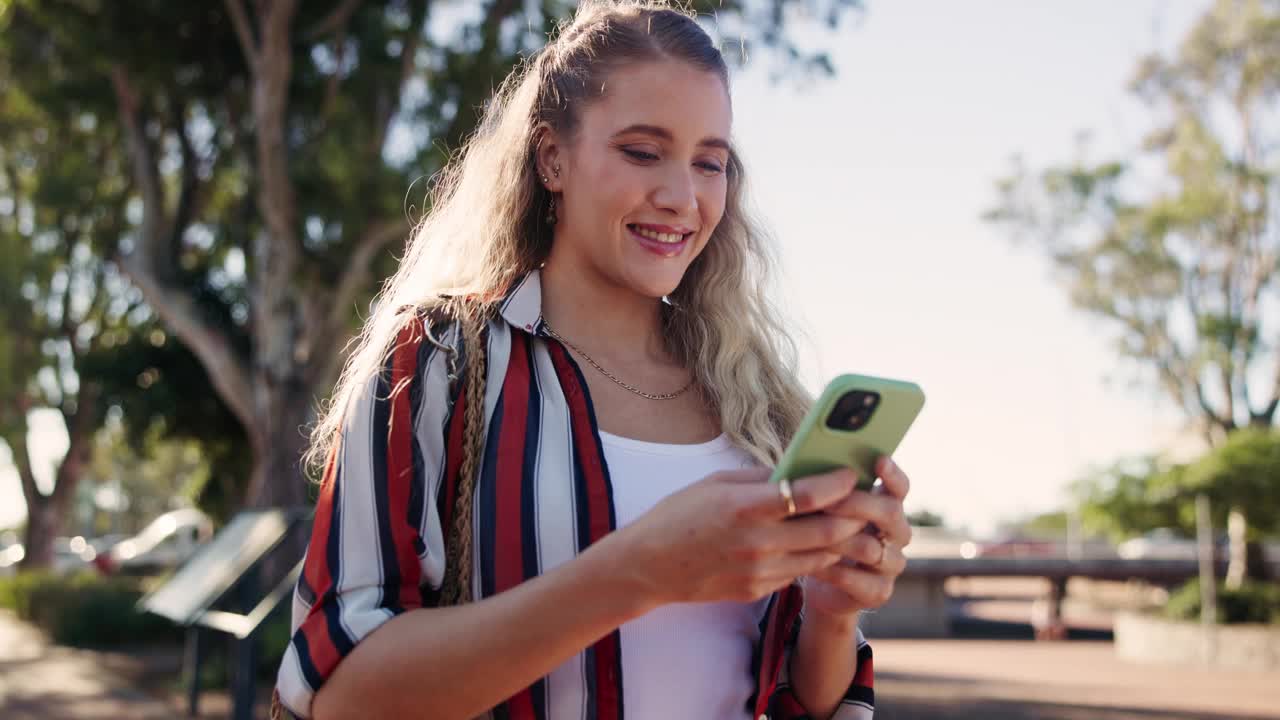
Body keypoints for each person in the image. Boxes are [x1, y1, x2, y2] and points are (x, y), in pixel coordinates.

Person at [273, 2, 913, 718]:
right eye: (642, 152)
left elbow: (802, 699)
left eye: (710, 162)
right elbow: (338, 692)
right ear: (552, 158)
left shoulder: (758, 401)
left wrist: (828, 616)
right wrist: (636, 573)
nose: (682, 198)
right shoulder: (437, 361)